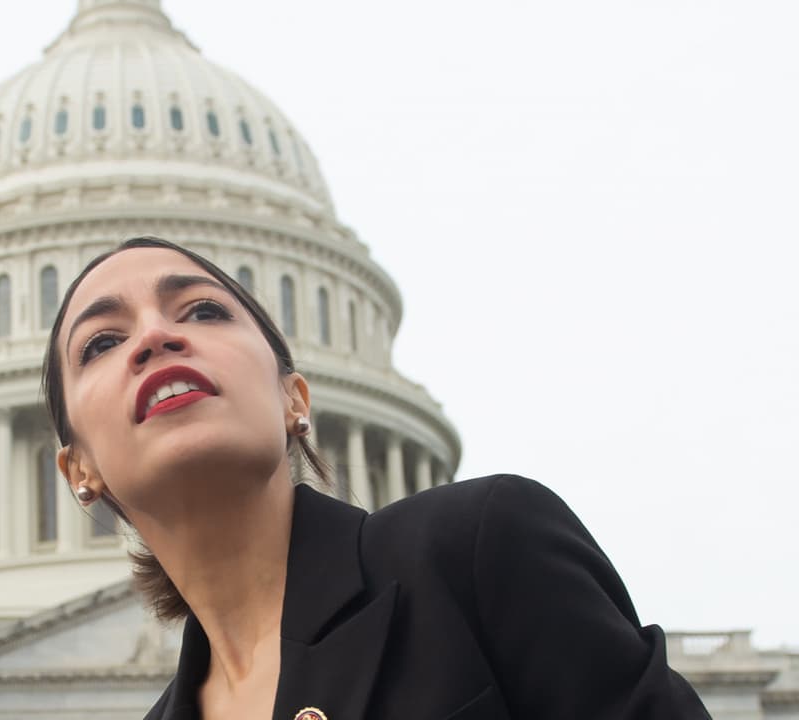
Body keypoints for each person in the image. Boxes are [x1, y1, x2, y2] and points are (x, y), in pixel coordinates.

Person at [41, 236, 709, 719]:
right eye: (101, 343)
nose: (155, 337)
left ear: (293, 399)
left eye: (202, 311)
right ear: (81, 469)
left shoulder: (478, 550)